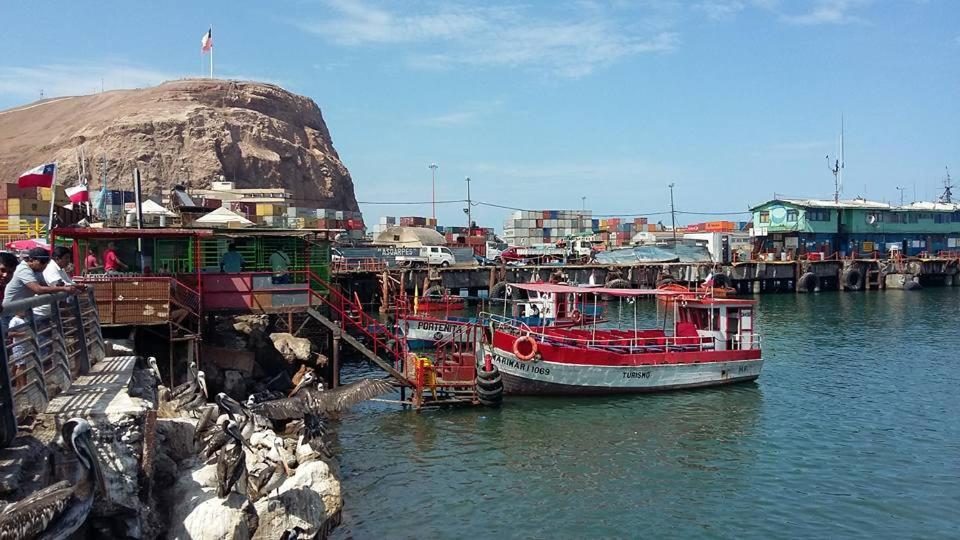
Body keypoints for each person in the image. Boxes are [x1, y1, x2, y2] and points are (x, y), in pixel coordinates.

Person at [2, 248, 76, 308]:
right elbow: (38, 289)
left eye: (47, 261)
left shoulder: (37, 270)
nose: (45, 265)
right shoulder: (24, 269)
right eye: (43, 262)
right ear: (32, 260)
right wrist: (63, 288)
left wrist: (58, 287)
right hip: (10, 310)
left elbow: (44, 286)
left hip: (22, 310)